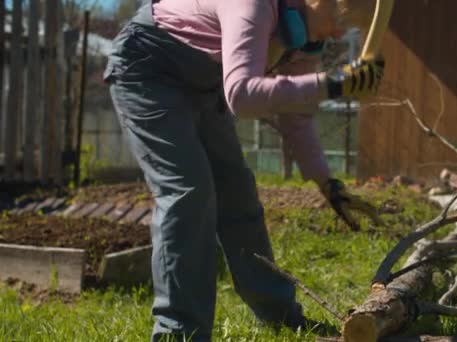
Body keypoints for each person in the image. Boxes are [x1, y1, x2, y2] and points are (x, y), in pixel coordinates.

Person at [103, 0, 384, 340]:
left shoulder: (301, 42)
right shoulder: (253, 5)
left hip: (204, 86)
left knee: (237, 194)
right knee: (189, 191)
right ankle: (179, 331)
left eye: (351, 27)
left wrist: (328, 184)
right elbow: (241, 94)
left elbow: (296, 116)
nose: (341, 32)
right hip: (147, 67)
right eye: (343, 17)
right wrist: (336, 84)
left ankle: (281, 317)